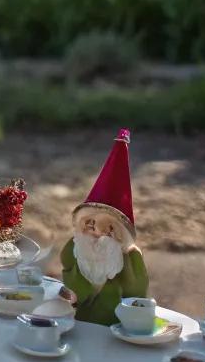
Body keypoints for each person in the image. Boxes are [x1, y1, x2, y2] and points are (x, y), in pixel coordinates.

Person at [60, 128, 149, 324]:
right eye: (89, 222)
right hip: (78, 320)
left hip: (115, 325)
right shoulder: (76, 248)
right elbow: (66, 263)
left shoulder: (130, 257)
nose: (96, 231)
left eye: (108, 228)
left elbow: (137, 292)